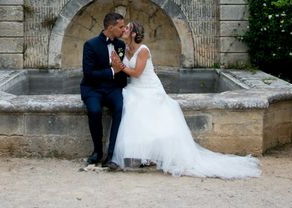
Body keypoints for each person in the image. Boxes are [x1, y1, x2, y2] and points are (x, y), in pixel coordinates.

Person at [111, 21, 261, 179]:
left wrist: (119, 65)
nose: (124, 30)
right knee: (138, 118)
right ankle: (144, 157)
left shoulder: (143, 50)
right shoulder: (125, 48)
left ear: (134, 33)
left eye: (127, 28)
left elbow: (136, 73)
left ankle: (153, 156)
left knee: (154, 122)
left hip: (149, 88)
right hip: (135, 88)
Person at [80, 12, 128, 168]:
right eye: (120, 27)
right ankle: (97, 151)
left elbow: (125, 67)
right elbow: (89, 73)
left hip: (113, 88)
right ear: (110, 27)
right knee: (94, 111)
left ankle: (112, 155)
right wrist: (113, 71)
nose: (123, 29)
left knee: (120, 108)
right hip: (93, 88)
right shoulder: (90, 45)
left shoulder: (121, 45)